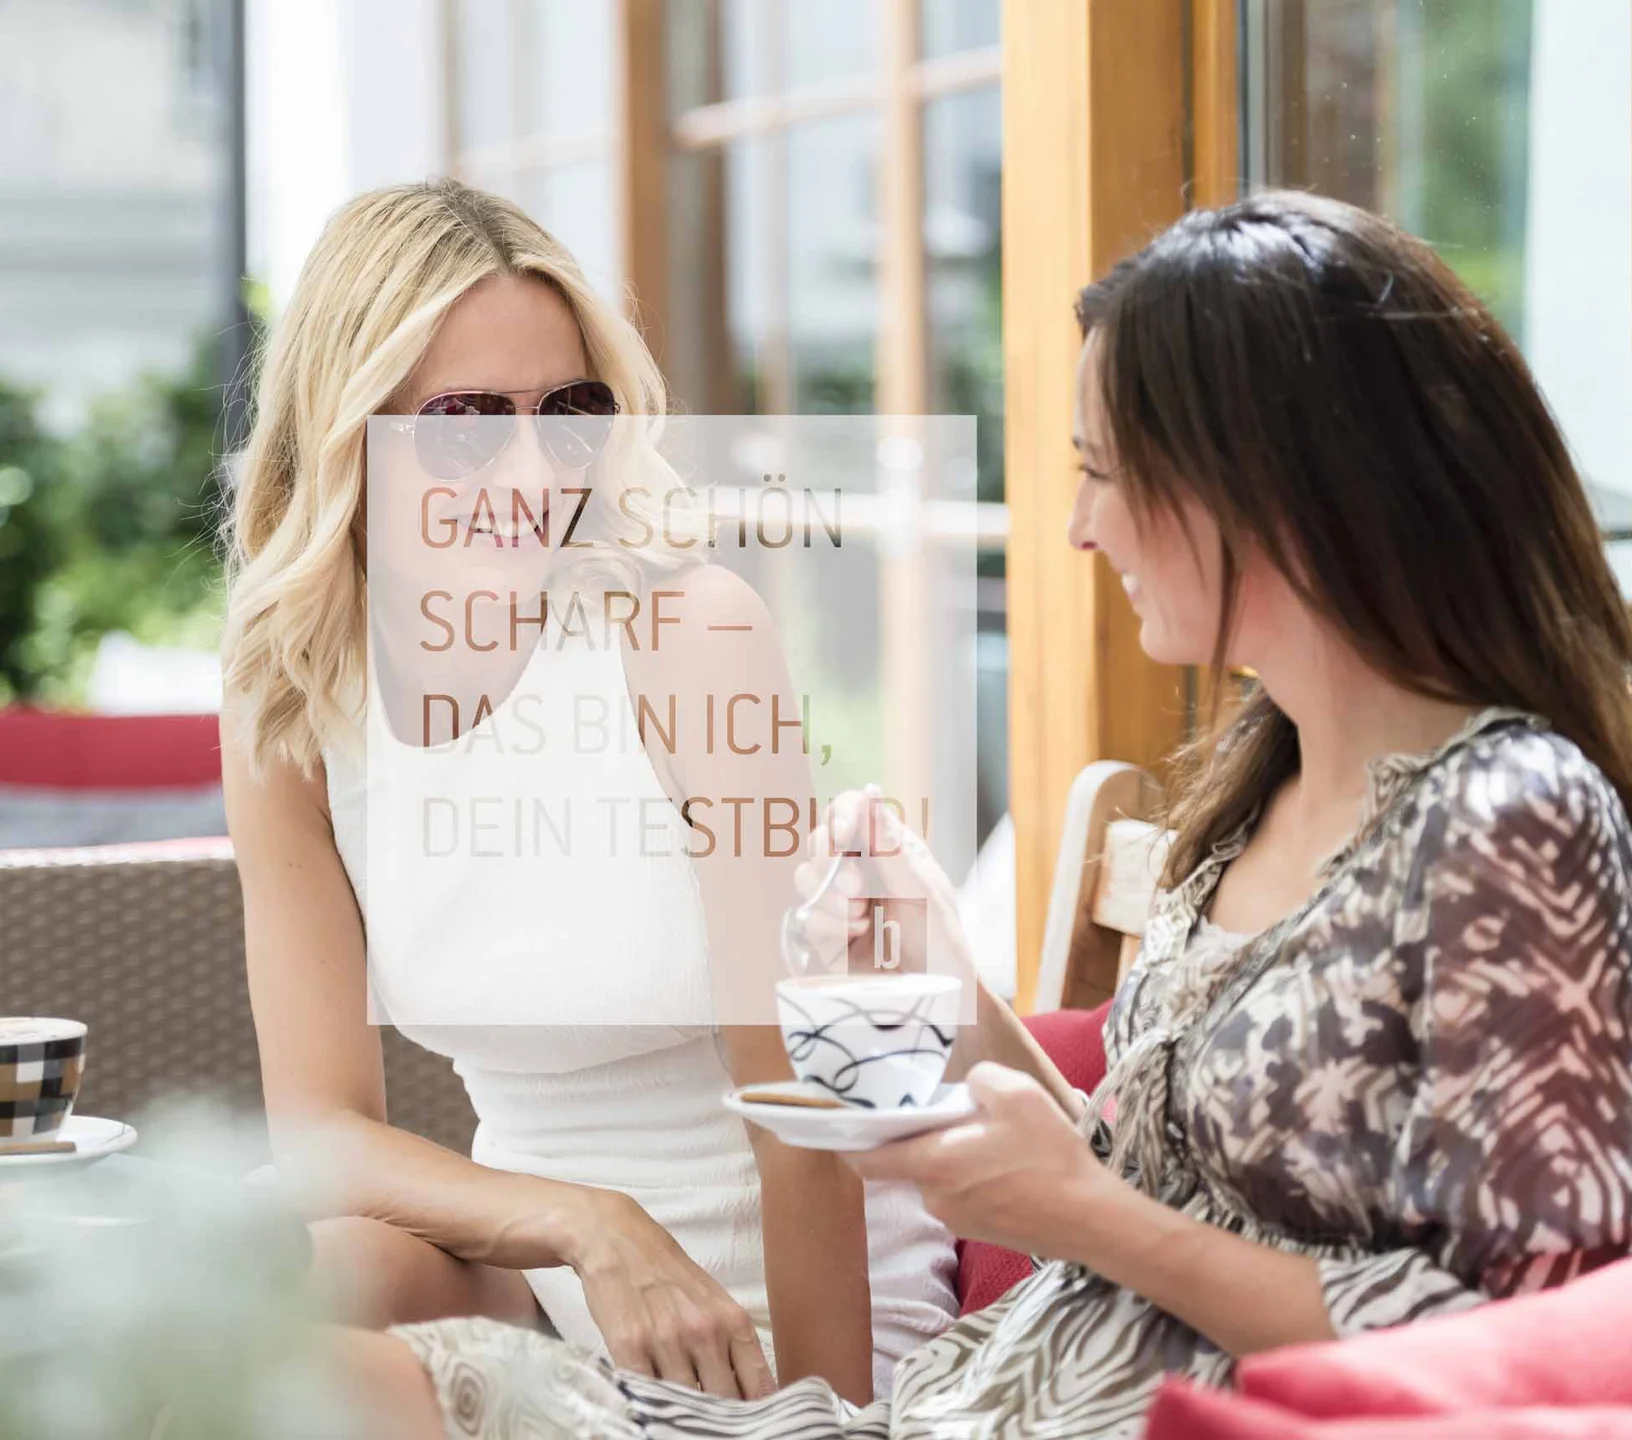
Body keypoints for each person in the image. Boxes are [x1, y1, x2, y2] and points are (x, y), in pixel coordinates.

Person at [330, 188, 1632, 1439]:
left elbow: (1518, 1335)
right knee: (305, 1374)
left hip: (1083, 1418)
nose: (1077, 527)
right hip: (964, 1405)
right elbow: (1138, 1178)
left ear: (1280, 490)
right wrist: (946, 991)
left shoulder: (1508, 823)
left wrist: (1077, 1217)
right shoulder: (1262, 792)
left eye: (1112, 473)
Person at [218, 178, 960, 1411]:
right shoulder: (288, 701)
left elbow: (802, 1120)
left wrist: (823, 1421)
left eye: (568, 414)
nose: (531, 469)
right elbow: (320, 1133)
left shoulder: (683, 635)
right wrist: (582, 1222)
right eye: (465, 423)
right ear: (349, 430)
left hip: (781, 1296)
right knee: (236, 1306)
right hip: (547, 1266)